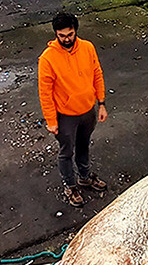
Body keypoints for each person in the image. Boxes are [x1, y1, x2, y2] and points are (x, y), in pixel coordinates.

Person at [38, 12, 109, 208]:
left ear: (75, 31)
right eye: (62, 36)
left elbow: (97, 74)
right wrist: (51, 120)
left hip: (88, 111)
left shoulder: (87, 48)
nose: (66, 39)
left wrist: (101, 103)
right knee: (66, 152)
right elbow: (45, 93)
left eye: (69, 34)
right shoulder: (47, 59)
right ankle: (70, 185)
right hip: (65, 116)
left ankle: (85, 177)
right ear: (56, 34)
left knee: (84, 145)